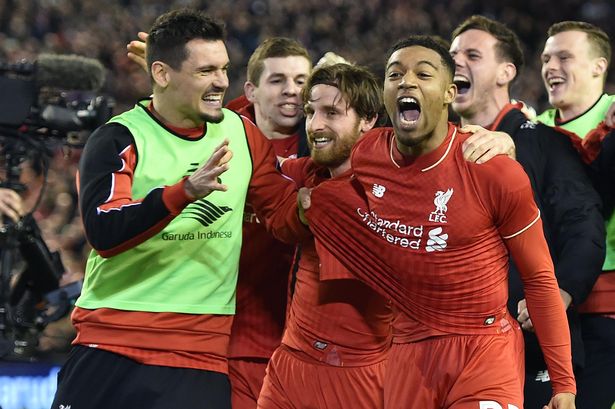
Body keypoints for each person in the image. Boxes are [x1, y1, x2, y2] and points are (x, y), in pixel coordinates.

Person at [51, 9, 308, 409]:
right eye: (206, 70)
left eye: (223, 69)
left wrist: (326, 199)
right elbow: (104, 231)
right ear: (162, 73)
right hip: (112, 344)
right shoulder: (119, 137)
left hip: (199, 358)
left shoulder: (242, 134)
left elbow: (283, 213)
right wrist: (184, 191)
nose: (221, 81)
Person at [303, 35, 576, 409]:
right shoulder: (368, 154)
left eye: (423, 74)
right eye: (394, 74)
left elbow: (540, 277)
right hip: (407, 354)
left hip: (483, 350)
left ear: (449, 93)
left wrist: (564, 385)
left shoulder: (492, 170)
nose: (407, 82)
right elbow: (318, 156)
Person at [128, 34, 313, 409]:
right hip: (228, 341)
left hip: (302, 346)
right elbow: (198, 102)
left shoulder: (324, 150)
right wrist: (174, 73)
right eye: (277, 80)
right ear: (252, 91)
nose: (292, 92)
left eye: (301, 82)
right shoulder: (225, 138)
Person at [449, 15, 605, 408]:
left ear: (506, 72)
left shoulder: (545, 143)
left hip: (531, 344)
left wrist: (561, 294)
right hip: (451, 344)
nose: (456, 63)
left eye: (472, 54)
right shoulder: (439, 150)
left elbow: (582, 224)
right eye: (451, 55)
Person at [257, 62, 393, 409]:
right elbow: (252, 159)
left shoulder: (399, 186)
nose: (315, 125)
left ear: (368, 120)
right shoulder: (308, 172)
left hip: (359, 376)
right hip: (289, 367)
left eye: (332, 113)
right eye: (311, 112)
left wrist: (495, 138)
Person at [536, 21, 615, 409]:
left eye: (564, 56)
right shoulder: (534, 130)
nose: (551, 65)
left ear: (599, 66)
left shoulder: (611, 122)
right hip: (545, 305)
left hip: (606, 302)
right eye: (546, 58)